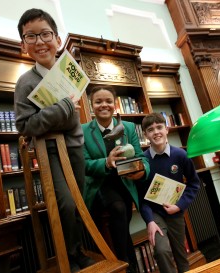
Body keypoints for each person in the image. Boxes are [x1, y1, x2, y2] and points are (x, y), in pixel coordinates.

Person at [14, 8, 94, 272]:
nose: (39, 42)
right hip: (50, 152)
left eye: (45, 34)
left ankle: (78, 249)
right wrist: (63, 109)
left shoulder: (70, 71)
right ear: (23, 44)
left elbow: (75, 118)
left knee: (79, 201)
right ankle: (68, 255)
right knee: (66, 203)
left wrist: (67, 113)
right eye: (31, 36)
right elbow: (25, 125)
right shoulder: (25, 82)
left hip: (75, 147)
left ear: (58, 40)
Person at [81, 85, 150, 272]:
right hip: (99, 186)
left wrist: (142, 169)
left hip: (126, 184)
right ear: (91, 105)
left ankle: (126, 266)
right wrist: (106, 162)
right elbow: (83, 165)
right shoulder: (83, 130)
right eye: (98, 101)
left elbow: (141, 157)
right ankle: (127, 264)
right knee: (119, 209)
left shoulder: (128, 127)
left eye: (108, 101)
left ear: (114, 103)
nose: (104, 105)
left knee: (122, 214)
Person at [139, 112, 200, 273]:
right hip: (155, 214)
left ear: (167, 129)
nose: (156, 132)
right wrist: (149, 221)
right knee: (161, 251)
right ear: (145, 134)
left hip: (175, 212)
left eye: (159, 127)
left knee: (181, 255)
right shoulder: (143, 161)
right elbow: (141, 198)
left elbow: (194, 183)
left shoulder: (181, 155)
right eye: (150, 130)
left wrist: (179, 206)